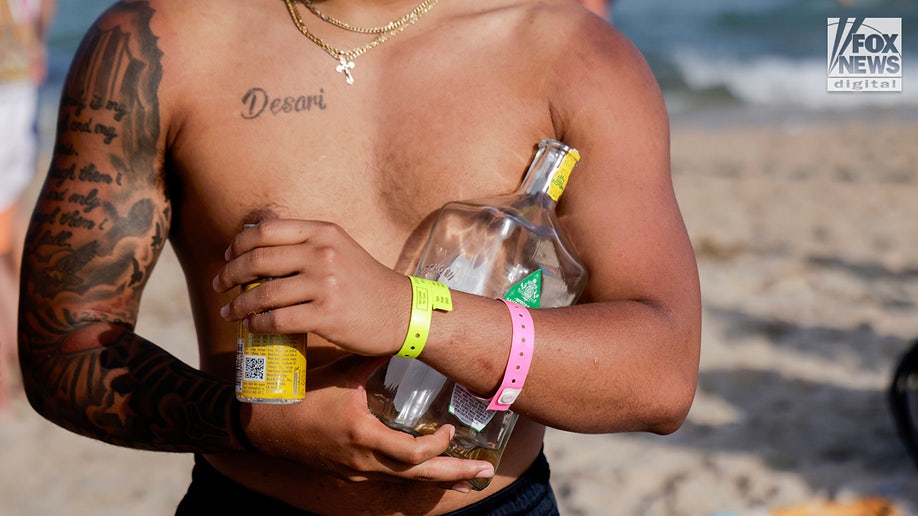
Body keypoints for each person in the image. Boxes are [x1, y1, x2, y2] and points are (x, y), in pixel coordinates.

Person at [18, 0, 701, 514]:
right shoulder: (160, 43)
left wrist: (413, 314)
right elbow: (62, 350)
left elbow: (661, 375)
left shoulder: (570, 55)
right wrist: (252, 423)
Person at [0, 0, 55, 408]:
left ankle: (14, 367)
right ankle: (34, 355)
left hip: (9, 95)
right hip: (21, 88)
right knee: (11, 239)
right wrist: (36, 45)